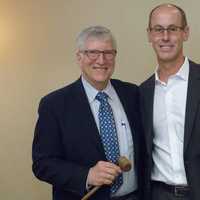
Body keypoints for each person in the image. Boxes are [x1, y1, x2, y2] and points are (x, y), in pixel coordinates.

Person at [32, 26, 143, 200]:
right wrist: (87, 175)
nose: (101, 60)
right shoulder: (54, 104)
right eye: (93, 52)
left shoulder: (133, 94)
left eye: (108, 53)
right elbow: (43, 164)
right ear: (79, 57)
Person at [140, 3, 200, 200]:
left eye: (172, 29)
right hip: (159, 194)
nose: (165, 37)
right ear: (149, 35)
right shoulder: (142, 93)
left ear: (186, 33)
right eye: (158, 29)